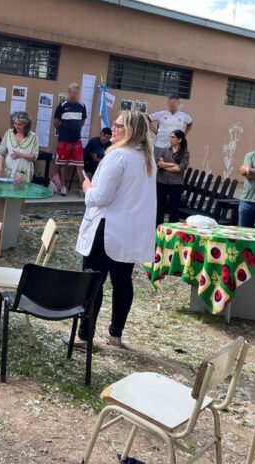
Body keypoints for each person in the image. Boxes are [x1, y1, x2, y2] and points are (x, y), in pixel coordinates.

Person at [72, 111, 156, 349]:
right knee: (122, 281)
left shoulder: (118, 156)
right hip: (128, 231)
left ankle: (84, 336)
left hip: (107, 229)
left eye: (118, 126)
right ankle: (115, 334)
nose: (113, 129)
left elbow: (101, 196)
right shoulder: (145, 159)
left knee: (93, 282)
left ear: (129, 130)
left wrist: (87, 186)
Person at [54, 83, 87, 195]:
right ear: (69, 93)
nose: (74, 95)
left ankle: (83, 189)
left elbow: (82, 122)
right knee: (62, 164)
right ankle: (63, 187)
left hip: (77, 141)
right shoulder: (62, 105)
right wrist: (64, 130)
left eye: (76, 93)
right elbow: (56, 122)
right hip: (64, 140)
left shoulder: (82, 106)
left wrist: (75, 130)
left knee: (80, 165)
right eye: (72, 92)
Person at [156, 129, 190, 228]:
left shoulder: (185, 153)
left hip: (175, 183)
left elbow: (179, 168)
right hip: (161, 181)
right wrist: (171, 164)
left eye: (173, 137)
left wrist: (164, 166)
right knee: (160, 207)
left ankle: (172, 230)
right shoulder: (165, 150)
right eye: (170, 137)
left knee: (173, 208)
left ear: (179, 139)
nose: (170, 139)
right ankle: (158, 228)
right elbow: (158, 163)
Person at [0, 111, 39, 183]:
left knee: (20, 193)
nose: (16, 126)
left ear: (26, 125)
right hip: (7, 173)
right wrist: (0, 167)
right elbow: (1, 152)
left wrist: (21, 155)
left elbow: (34, 157)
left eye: (20, 124)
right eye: (15, 123)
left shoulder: (33, 137)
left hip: (23, 175)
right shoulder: (9, 133)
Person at [148, 95, 193, 161]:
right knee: (156, 166)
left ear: (178, 104)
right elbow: (147, 119)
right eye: (171, 104)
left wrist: (184, 135)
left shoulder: (183, 115)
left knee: (170, 167)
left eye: (174, 104)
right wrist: (156, 132)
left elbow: (190, 123)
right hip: (160, 146)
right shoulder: (162, 114)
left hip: (174, 148)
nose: (172, 106)